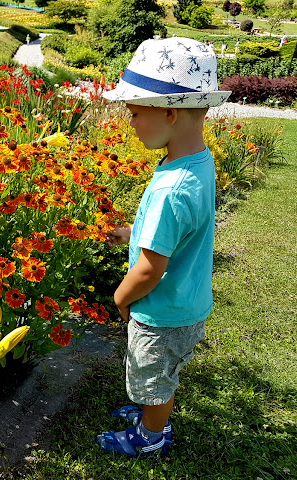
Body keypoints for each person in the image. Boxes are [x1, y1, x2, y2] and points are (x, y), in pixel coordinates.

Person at [96, 37, 231, 458]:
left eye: (135, 113)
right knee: (158, 372)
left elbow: (150, 270)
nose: (130, 123)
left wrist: (121, 298)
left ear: (169, 112)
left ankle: (150, 435)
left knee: (154, 380)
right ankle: (150, 415)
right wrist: (130, 233)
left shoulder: (173, 188)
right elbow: (172, 235)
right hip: (186, 302)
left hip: (162, 313)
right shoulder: (197, 162)